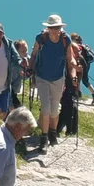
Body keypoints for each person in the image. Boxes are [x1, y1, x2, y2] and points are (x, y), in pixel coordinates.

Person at [25, 16, 70, 149]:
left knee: (55, 109)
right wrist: (30, 68)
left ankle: (53, 133)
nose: (54, 30)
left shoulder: (65, 40)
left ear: (60, 28)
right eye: (52, 27)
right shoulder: (41, 38)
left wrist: (74, 71)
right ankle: (44, 138)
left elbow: (69, 58)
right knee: (46, 107)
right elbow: (33, 54)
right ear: (48, 28)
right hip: (42, 76)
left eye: (57, 27)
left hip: (58, 78)